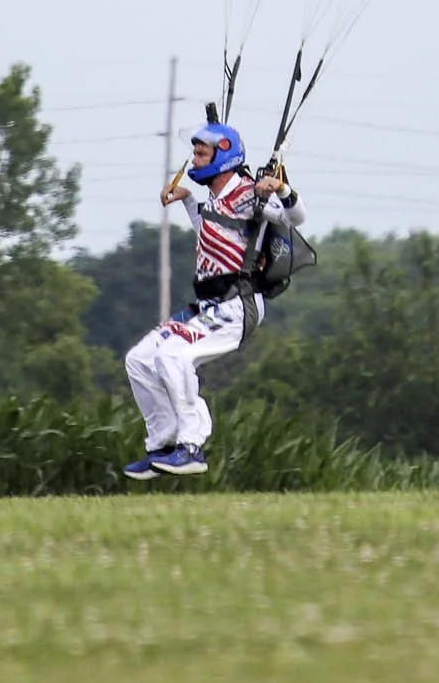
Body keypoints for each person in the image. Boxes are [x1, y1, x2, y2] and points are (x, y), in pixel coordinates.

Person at [123, 118, 304, 479]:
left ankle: (192, 446)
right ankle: (164, 444)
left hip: (239, 305)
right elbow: (212, 231)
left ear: (223, 155)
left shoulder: (248, 192)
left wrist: (282, 189)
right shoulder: (217, 198)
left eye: (200, 153)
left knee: (174, 356)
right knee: (140, 359)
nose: (193, 159)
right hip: (208, 305)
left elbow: (296, 217)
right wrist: (188, 200)